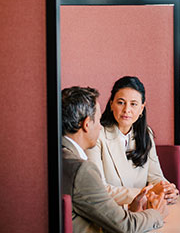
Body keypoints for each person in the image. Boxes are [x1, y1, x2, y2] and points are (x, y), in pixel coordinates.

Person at [61, 86, 168, 232]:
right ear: (86, 124)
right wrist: (156, 214)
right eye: (98, 120)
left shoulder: (60, 156)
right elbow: (125, 227)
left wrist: (130, 208)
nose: (100, 127)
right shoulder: (82, 170)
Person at [85, 76, 179, 207]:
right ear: (111, 104)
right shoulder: (97, 135)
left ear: (141, 108)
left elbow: (155, 177)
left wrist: (167, 190)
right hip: (111, 213)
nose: (126, 110)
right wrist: (146, 193)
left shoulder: (146, 134)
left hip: (142, 211)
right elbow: (99, 189)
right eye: (121, 102)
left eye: (133, 104)